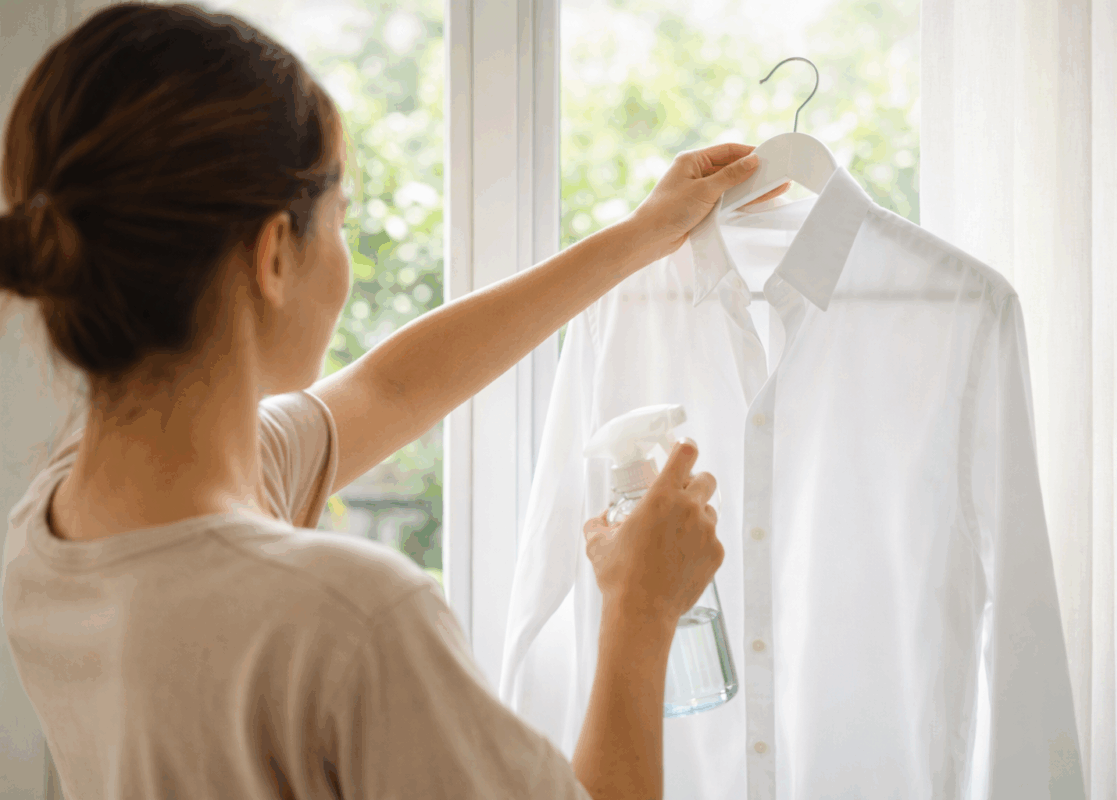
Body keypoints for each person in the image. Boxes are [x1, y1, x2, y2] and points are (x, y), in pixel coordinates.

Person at [0, 3, 791, 799]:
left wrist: (637, 237)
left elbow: (388, 388)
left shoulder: (53, 527)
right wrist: (643, 612)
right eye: (341, 220)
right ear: (274, 254)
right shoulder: (350, 621)